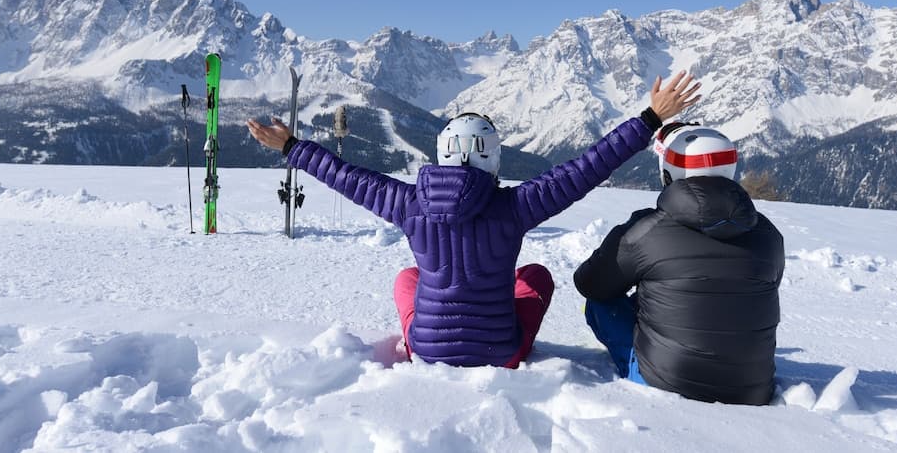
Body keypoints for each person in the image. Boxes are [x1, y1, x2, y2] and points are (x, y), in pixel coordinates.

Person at [247, 71, 700, 368]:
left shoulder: (409, 203)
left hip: (426, 350)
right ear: (494, 158)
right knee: (536, 276)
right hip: (501, 352)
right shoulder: (517, 205)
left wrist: (291, 147)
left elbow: (348, 178)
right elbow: (586, 168)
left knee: (408, 278)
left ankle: (421, 333)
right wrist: (649, 119)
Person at [573, 122, 785, 404]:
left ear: (668, 172)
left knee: (599, 304)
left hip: (666, 383)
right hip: (753, 388)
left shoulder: (647, 230)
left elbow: (590, 283)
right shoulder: (769, 235)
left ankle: (637, 367)